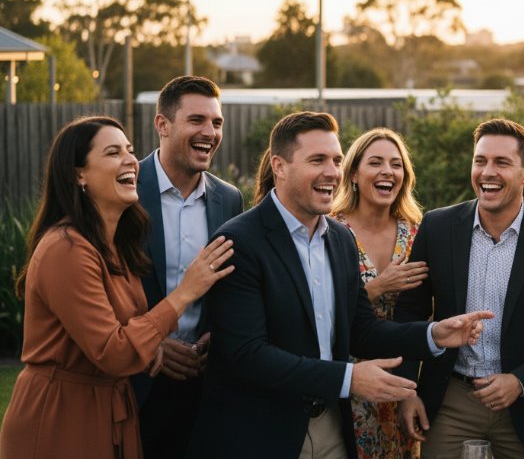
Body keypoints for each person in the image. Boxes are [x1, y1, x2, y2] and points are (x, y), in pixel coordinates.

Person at [189, 111, 493, 459]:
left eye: (335, 159)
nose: (332, 172)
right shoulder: (239, 241)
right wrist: (347, 379)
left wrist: (433, 335)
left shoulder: (340, 240)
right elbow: (247, 355)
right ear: (280, 166)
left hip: (332, 427)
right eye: (317, 160)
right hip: (261, 431)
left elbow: (361, 330)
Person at [0, 116, 235, 459]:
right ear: (78, 174)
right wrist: (186, 291)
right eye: (113, 153)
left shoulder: (115, 246)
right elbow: (114, 351)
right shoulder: (66, 249)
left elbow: (122, 328)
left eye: (129, 150)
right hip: (62, 418)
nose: (130, 160)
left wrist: (151, 349)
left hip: (110, 411)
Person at [394, 118, 524, 459]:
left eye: (502, 163)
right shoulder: (437, 227)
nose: (487, 172)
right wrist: (407, 389)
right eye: (480, 160)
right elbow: (410, 311)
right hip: (452, 399)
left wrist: (520, 381)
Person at [133, 76, 244, 459]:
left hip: (204, 383)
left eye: (216, 123)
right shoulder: (125, 191)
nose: (209, 132)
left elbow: (232, 284)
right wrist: (150, 343)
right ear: (162, 125)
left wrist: (220, 335)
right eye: (197, 120)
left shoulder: (229, 200)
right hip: (136, 382)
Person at [332, 128, 428, 459]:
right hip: (346, 378)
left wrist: (411, 389)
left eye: (396, 164)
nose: (388, 171)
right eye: (376, 162)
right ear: (354, 174)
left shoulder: (417, 233)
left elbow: (425, 319)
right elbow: (320, 310)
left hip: (401, 378)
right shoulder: (331, 230)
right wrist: (378, 287)